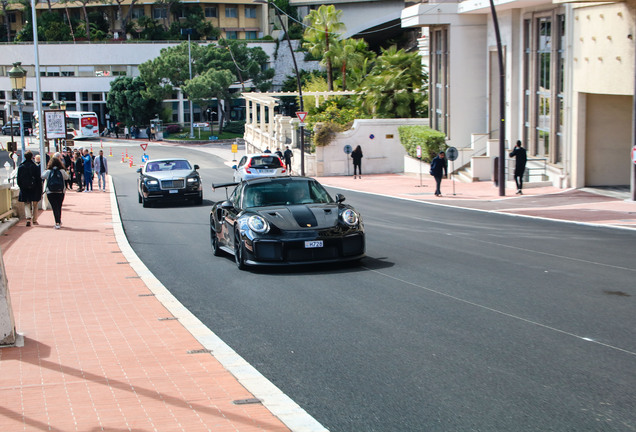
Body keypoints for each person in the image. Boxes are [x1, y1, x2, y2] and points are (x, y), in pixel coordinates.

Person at [41, 156, 70, 229]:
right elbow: (67, 177)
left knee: (54, 207)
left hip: (50, 191)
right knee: (59, 206)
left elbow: (42, 176)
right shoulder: (62, 171)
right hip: (60, 191)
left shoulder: (48, 171)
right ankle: (58, 220)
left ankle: (57, 222)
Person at [17, 151, 43, 227]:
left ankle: (28, 218)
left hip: (24, 188)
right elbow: (39, 179)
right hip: (34, 188)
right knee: (35, 204)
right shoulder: (35, 166)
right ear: (32, 157)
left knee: (27, 203)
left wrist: (21, 187)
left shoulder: (21, 167)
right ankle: (34, 220)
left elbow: (18, 179)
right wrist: (40, 189)